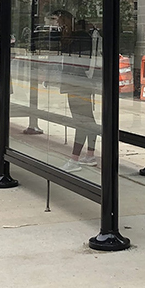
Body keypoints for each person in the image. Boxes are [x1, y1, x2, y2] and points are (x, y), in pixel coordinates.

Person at [52, 9, 100, 172]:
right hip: (74, 82)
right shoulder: (73, 37)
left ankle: (74, 159)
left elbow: (80, 61)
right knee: (87, 119)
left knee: (81, 119)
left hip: (78, 83)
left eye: (60, 21)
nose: (58, 25)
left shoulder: (80, 37)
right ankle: (90, 154)